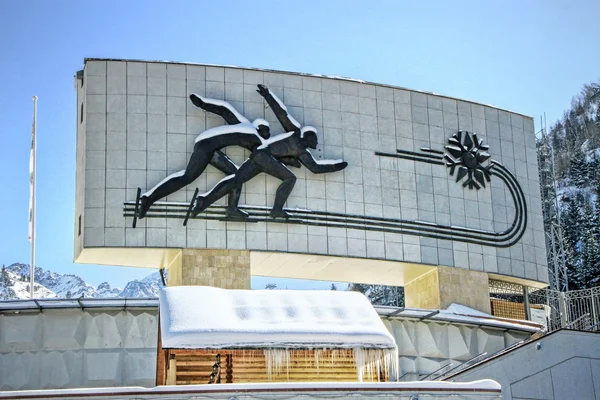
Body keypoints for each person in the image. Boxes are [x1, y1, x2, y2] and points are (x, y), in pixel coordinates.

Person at [191, 84, 348, 219]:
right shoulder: (294, 132)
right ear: (307, 138)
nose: (316, 143)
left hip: (259, 156)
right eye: (314, 139)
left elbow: (315, 168)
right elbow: (281, 113)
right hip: (264, 157)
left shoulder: (303, 154)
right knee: (290, 178)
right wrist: (267, 95)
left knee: (236, 180)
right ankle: (277, 210)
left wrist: (336, 166)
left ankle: (205, 201)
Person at [137, 94, 271, 220]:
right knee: (187, 177)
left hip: (210, 148)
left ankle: (232, 209)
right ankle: (149, 198)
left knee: (236, 176)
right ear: (258, 128)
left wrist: (202, 103)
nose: (268, 133)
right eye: (266, 129)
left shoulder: (245, 127)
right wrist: (202, 103)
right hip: (205, 146)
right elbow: (224, 109)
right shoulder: (251, 132)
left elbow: (225, 109)